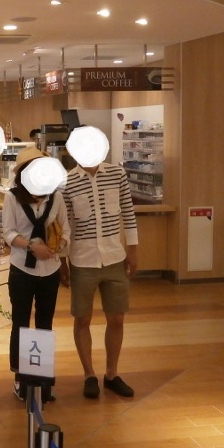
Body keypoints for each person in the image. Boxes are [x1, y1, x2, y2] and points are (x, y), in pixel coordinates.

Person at [60, 129, 138, 398]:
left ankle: (112, 373)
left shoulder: (117, 174)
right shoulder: (67, 182)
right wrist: (63, 261)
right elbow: (65, 224)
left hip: (115, 256)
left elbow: (128, 212)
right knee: (82, 318)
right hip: (82, 259)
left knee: (117, 318)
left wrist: (133, 249)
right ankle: (89, 374)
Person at [2, 147, 69, 403]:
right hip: (21, 268)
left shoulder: (56, 197)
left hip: (50, 269)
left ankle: (42, 379)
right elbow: (8, 232)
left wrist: (59, 244)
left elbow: (66, 229)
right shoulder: (12, 198)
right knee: (20, 322)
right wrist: (32, 246)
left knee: (45, 323)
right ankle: (21, 378)